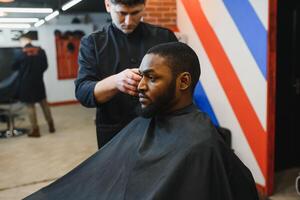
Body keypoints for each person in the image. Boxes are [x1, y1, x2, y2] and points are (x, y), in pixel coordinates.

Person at [25, 42, 259, 200]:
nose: (139, 86)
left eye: (151, 78)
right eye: (140, 76)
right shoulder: (147, 122)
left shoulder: (199, 145)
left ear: (183, 82)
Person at [75, 0, 178, 148]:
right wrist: (116, 82)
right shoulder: (92, 43)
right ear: (108, 5)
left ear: (144, 6)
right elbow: (83, 92)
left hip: (160, 129)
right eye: (121, 13)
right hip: (114, 134)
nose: (129, 21)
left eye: (135, 13)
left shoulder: (164, 38)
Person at [13, 33, 55, 137]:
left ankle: (35, 130)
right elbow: (45, 66)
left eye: (20, 42)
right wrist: (37, 73)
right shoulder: (41, 51)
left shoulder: (20, 53)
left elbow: (14, 67)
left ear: (24, 41)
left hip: (26, 83)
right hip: (38, 81)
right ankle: (51, 126)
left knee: (30, 106)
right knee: (44, 103)